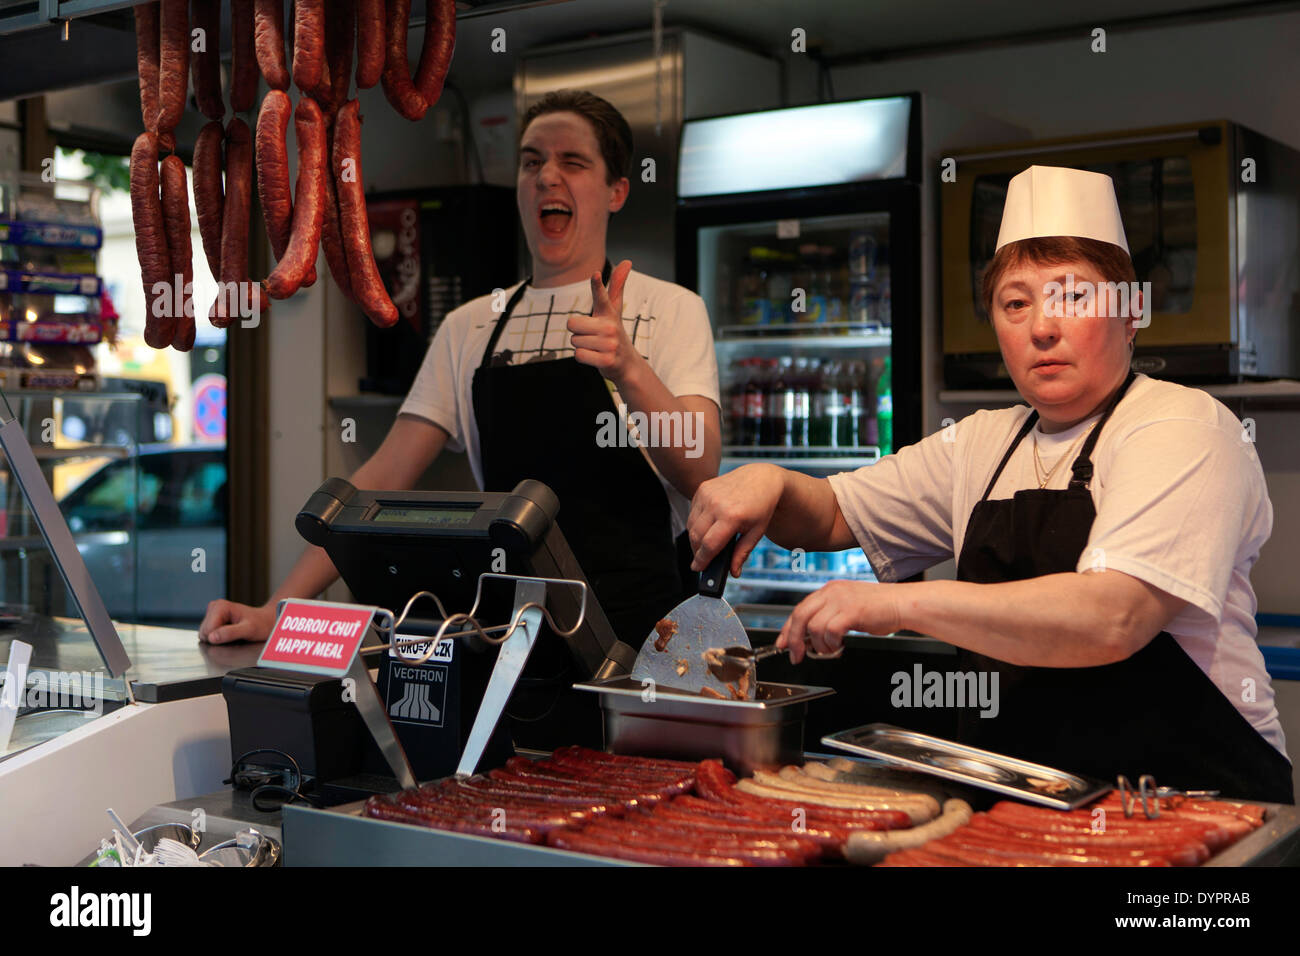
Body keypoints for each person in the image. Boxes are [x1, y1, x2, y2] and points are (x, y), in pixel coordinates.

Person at [688, 165, 1293, 803]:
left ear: (1130, 312)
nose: (1042, 327)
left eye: (1074, 297)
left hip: (1190, 804)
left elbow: (1114, 616)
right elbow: (835, 512)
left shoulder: (1184, 425)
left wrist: (899, 606)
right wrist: (772, 483)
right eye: (1015, 302)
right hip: (1032, 800)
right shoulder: (983, 442)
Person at [200, 90, 721, 713]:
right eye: (531, 162)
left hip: (644, 651)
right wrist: (278, 608)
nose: (547, 176)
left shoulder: (668, 309)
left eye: (572, 162)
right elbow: (376, 485)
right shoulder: (473, 325)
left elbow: (701, 469)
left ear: (616, 190)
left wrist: (629, 368)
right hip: (515, 643)